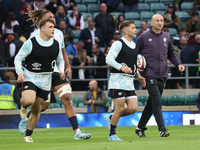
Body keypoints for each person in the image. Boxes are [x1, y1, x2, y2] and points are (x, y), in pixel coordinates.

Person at [18, 9, 91, 141]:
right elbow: (29, 54)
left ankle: (77, 131)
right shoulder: (35, 35)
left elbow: (61, 52)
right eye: (50, 17)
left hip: (55, 71)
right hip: (39, 74)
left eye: (53, 17)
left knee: (67, 98)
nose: (54, 19)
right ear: (42, 22)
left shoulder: (58, 33)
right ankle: (28, 117)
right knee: (42, 106)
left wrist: (66, 67)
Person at [14, 18, 65, 142]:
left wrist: (61, 70)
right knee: (28, 100)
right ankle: (24, 107)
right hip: (30, 76)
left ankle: (28, 135)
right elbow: (18, 58)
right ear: (42, 29)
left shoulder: (56, 43)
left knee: (37, 109)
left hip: (46, 80)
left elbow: (60, 60)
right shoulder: (31, 43)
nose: (53, 29)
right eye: (50, 27)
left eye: (54, 26)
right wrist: (20, 73)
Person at [135, 14, 185, 137]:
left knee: (152, 102)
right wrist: (137, 70)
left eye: (161, 20)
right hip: (149, 74)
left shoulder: (167, 37)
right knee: (157, 101)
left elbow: (171, 53)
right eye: (157, 20)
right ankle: (162, 129)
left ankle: (140, 128)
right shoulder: (143, 37)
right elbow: (134, 52)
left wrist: (178, 64)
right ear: (151, 23)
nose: (159, 23)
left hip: (162, 74)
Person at [105, 20, 146, 141]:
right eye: (133, 28)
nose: (135, 30)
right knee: (120, 108)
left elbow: (133, 65)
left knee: (133, 108)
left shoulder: (135, 46)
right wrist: (121, 67)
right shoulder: (118, 44)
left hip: (129, 82)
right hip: (117, 80)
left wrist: (138, 76)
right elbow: (109, 59)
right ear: (126, 31)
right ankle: (112, 134)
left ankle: (111, 117)